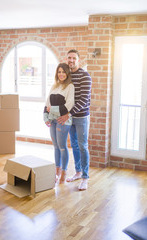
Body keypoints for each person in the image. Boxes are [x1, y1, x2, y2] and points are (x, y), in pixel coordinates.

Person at [57, 49, 92, 191]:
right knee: (75, 146)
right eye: (69, 58)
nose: (71, 60)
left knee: (83, 146)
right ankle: (77, 172)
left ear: (78, 59)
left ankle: (85, 178)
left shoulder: (85, 76)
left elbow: (83, 100)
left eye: (74, 58)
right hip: (69, 118)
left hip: (81, 117)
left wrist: (69, 114)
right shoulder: (67, 75)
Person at [43, 63, 74, 184]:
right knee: (55, 147)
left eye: (63, 72)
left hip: (63, 120)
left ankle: (64, 171)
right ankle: (57, 171)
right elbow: (47, 103)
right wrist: (45, 116)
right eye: (59, 72)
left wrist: (53, 110)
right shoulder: (54, 86)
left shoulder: (70, 87)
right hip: (53, 120)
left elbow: (69, 105)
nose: (61, 74)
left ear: (67, 73)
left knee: (62, 147)